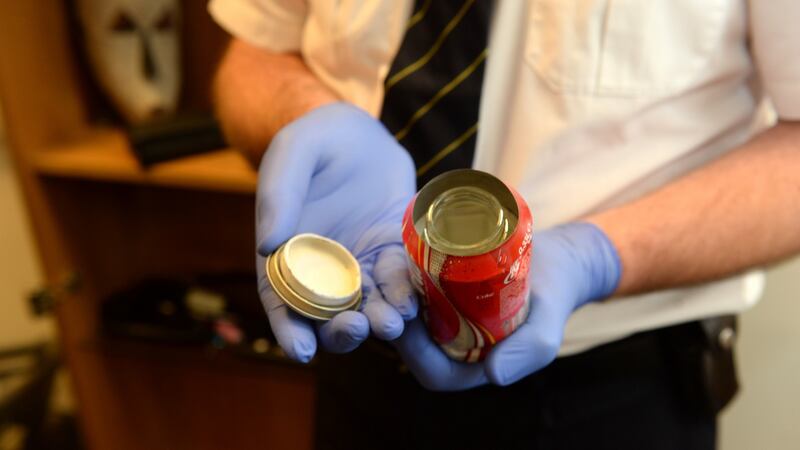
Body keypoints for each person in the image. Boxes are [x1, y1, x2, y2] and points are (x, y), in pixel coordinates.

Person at [209, 1, 800, 449]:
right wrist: (308, 117)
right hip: (362, 338)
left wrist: (600, 256)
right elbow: (257, 49)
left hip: (611, 395)